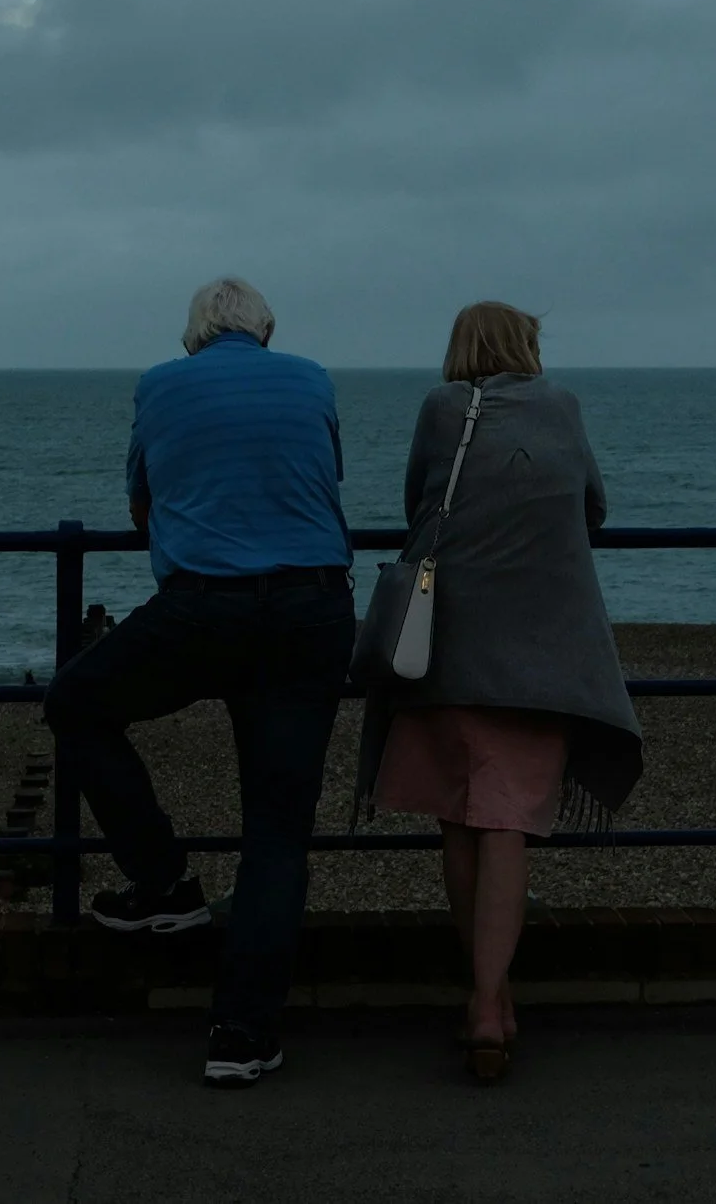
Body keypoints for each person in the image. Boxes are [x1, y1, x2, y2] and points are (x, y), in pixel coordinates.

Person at [42, 277, 354, 1089]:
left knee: (75, 703)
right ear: (266, 330)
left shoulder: (160, 383)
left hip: (203, 608)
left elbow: (145, 503)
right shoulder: (312, 377)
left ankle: (162, 879)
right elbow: (326, 479)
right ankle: (240, 1034)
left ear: (194, 335)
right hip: (312, 608)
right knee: (277, 832)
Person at [355, 301, 642, 1082]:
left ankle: (491, 995)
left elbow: (420, 503)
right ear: (526, 345)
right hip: (539, 655)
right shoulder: (562, 408)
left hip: (445, 646)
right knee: (508, 822)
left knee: (460, 818)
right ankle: (490, 1004)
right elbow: (594, 509)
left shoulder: (442, 409)